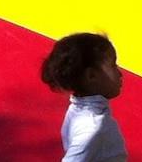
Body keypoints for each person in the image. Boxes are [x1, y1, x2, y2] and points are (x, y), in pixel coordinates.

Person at [39, 32, 127, 162]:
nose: (120, 73)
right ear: (91, 76)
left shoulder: (76, 111)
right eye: (113, 66)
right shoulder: (93, 128)